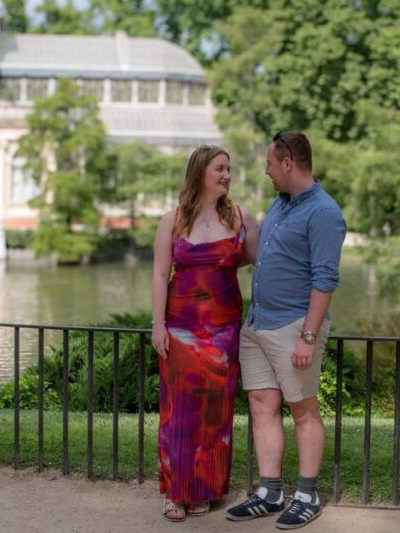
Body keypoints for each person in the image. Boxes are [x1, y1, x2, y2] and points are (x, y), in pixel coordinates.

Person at [225, 132, 346, 529]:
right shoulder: (279, 205)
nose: (266, 170)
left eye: (270, 164)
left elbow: (325, 279)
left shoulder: (324, 212)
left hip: (294, 326)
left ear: (288, 162)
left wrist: (308, 337)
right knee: (262, 405)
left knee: (303, 411)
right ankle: (270, 492)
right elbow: (260, 257)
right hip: (258, 323)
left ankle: (307, 495)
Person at [151, 145, 258, 522]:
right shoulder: (173, 220)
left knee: (216, 411)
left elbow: (252, 259)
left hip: (224, 330)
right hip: (180, 329)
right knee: (179, 410)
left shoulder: (241, 218)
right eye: (220, 169)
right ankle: (175, 492)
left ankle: (205, 489)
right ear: (200, 173)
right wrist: (157, 325)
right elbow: (161, 274)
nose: (227, 175)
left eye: (229, 169)